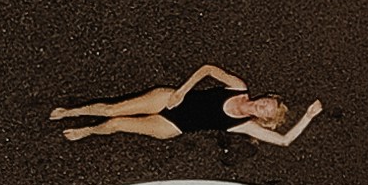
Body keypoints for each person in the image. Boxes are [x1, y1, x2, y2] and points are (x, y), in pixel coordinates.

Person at [52, 62, 321, 149]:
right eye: (267, 101)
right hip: (169, 99)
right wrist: (182, 91)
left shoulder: (244, 126)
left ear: (263, 120)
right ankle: (71, 112)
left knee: (115, 124)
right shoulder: (239, 86)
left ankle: (86, 131)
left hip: (172, 125)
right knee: (113, 108)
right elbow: (207, 69)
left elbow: (284, 141)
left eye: (266, 110)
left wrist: (308, 116)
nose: (262, 105)